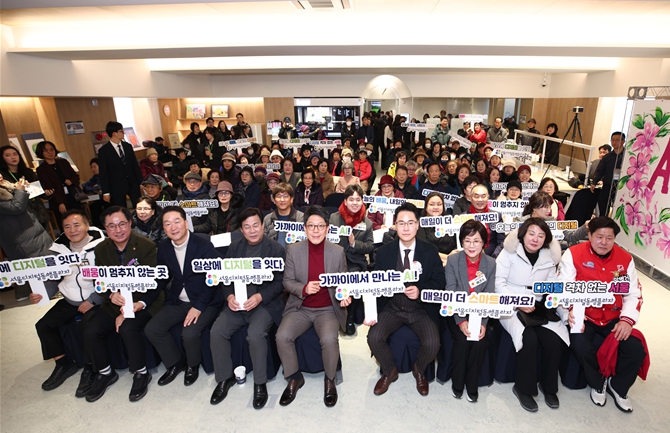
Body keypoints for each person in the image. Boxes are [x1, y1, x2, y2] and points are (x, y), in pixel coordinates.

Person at [559, 216, 646, 412]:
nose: (604, 242)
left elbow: (633, 293)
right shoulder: (573, 254)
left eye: (609, 238)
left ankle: (618, 386)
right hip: (584, 315)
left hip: (614, 317)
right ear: (589, 235)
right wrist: (571, 309)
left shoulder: (625, 259)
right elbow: (564, 287)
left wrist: (626, 321)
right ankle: (598, 383)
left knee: (636, 350)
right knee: (580, 345)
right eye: (599, 237)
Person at [85, 206, 164, 402]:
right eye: (111, 226)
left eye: (122, 224)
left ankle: (141, 372)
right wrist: (110, 294)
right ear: (105, 228)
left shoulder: (146, 246)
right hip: (115, 302)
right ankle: (105, 372)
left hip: (142, 300)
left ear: (130, 223)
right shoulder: (101, 249)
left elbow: (156, 282)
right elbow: (99, 280)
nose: (118, 230)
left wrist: (132, 307)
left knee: (128, 327)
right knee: (91, 328)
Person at [209, 208, 286, 408]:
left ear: (262, 226)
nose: (252, 230)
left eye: (255, 225)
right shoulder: (234, 248)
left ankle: (260, 383)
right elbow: (225, 277)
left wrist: (260, 296)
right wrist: (229, 296)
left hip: (264, 305)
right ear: (241, 230)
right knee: (217, 332)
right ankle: (224, 378)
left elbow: (280, 282)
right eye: (247, 227)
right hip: (237, 303)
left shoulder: (276, 249)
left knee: (255, 335)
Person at [368, 202, 446, 396]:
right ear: (395, 225)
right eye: (401, 223)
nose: (406, 228)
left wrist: (420, 291)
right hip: (392, 308)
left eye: (410, 223)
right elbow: (375, 284)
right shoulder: (384, 252)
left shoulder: (430, 250)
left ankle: (419, 370)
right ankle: (389, 371)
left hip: (420, 309)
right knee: (374, 338)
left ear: (417, 225)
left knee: (433, 343)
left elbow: (439, 282)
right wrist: (370, 312)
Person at [276, 206, 350, 407]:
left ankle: (330, 379)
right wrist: (304, 288)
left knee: (329, 339)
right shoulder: (293, 250)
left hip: (327, 309)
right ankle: (294, 377)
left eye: (320, 226)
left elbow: (344, 283)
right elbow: (287, 282)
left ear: (327, 229)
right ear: (305, 228)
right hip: (301, 307)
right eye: (311, 226)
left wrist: (345, 296)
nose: (316, 230)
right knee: (282, 336)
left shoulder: (337, 252)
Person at [145, 206, 223, 388]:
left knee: (189, 333)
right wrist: (142, 302)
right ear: (163, 228)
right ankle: (175, 363)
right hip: (178, 300)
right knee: (152, 329)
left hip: (206, 301)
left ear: (186, 223)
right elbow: (161, 278)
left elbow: (212, 279)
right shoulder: (163, 248)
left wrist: (198, 307)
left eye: (177, 221)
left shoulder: (203, 245)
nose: (173, 227)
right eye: (167, 224)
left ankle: (192, 366)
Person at [29, 209, 105, 393]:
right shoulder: (58, 250)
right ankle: (63, 363)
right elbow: (54, 278)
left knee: (88, 328)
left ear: (87, 225)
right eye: (67, 227)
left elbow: (110, 277)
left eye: (77, 225)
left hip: (96, 298)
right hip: (70, 299)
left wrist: (94, 299)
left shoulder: (102, 245)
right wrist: (41, 294)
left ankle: (90, 367)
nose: (72, 230)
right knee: (43, 325)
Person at [496, 217, 566, 412]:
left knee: (553, 340)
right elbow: (498, 283)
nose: (535, 239)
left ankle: (549, 387)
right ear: (523, 234)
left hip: (538, 306)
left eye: (541, 236)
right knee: (528, 339)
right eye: (531, 234)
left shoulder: (549, 256)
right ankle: (523, 389)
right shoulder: (509, 252)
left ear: (546, 239)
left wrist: (561, 309)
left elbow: (552, 286)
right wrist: (518, 302)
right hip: (510, 304)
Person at [444, 220, 496, 402]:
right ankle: (458, 383)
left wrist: (483, 323)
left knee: (480, 341)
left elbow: (489, 294)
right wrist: (461, 321)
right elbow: (451, 291)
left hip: (479, 312)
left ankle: (472, 384)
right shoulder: (453, 261)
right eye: (467, 241)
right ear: (461, 242)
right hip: (456, 311)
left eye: (476, 241)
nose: (472, 246)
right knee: (462, 340)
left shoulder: (491, 264)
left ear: (484, 243)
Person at [329, 184, 374, 335]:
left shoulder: (367, 222)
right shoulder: (334, 218)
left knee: (352, 278)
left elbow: (370, 247)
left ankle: (350, 316)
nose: (355, 203)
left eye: (358, 199)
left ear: (362, 201)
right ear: (345, 201)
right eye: (351, 199)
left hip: (356, 262)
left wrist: (354, 244)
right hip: (336, 260)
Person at [0, 173, 53, 301]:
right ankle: (44, 290)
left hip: (28, 229)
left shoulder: (6, 186)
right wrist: (20, 191)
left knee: (28, 262)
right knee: (31, 263)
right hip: (18, 235)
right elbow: (15, 207)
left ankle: (25, 292)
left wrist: (24, 189)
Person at [0, 144, 51, 229]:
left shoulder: (28, 172)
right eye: (8, 155)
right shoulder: (3, 177)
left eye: (15, 154)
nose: (13, 157)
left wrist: (47, 193)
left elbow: (39, 189)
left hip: (38, 210)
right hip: (22, 214)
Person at [98, 121, 142, 207]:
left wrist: (141, 182)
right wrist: (106, 192)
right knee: (121, 209)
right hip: (116, 186)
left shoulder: (127, 146)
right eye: (121, 131)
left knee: (139, 205)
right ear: (114, 133)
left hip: (132, 183)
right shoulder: (104, 151)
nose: (124, 133)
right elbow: (104, 173)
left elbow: (135, 166)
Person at [35, 140, 81, 215]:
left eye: (51, 149)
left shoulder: (63, 162)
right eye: (46, 150)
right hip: (58, 200)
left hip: (73, 196)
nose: (50, 152)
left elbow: (75, 176)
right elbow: (49, 187)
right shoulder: (41, 169)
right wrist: (60, 202)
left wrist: (71, 181)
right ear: (41, 152)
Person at [591, 132, 626, 217]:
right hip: (607, 185)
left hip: (621, 187)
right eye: (612, 140)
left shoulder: (627, 156)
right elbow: (600, 171)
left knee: (619, 209)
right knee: (603, 207)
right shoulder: (607, 157)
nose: (614, 142)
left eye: (617, 140)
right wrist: (594, 182)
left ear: (623, 141)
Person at [418, 192, 456, 265]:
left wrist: (453, 256)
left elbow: (457, 243)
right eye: (432, 204)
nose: (436, 207)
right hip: (429, 261)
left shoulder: (450, 220)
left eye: (439, 204)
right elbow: (423, 248)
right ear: (426, 207)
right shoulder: (420, 223)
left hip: (452, 261)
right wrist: (447, 257)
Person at [263, 182, 304, 248]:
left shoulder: (301, 218)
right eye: (279, 196)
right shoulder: (268, 219)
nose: (282, 200)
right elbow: (264, 242)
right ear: (274, 200)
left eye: (285, 196)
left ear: (291, 199)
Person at [468, 185, 505, 258]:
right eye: (476, 196)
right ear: (470, 198)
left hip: (493, 257)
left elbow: (501, 242)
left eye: (483, 196)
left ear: (488, 197)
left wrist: (493, 259)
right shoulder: (463, 217)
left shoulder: (497, 216)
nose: (480, 199)